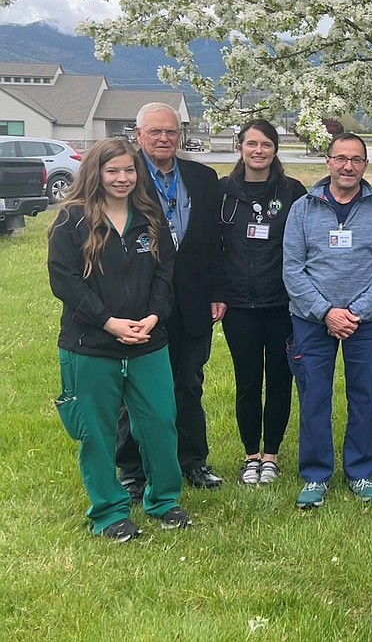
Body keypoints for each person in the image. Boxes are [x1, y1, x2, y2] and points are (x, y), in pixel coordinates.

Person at [48, 137, 190, 540]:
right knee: (97, 431)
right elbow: (65, 281)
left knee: (161, 422)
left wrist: (153, 316)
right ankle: (109, 512)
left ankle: (163, 500)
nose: (123, 178)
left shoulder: (151, 216)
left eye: (129, 170)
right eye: (113, 171)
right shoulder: (72, 219)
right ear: (96, 172)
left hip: (148, 341)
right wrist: (108, 322)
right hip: (90, 345)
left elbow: (165, 274)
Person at [283, 133, 372, 509]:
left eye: (356, 160)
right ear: (328, 161)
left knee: (365, 396)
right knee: (314, 397)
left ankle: (360, 472)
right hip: (312, 319)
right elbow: (292, 269)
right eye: (341, 158)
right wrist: (326, 312)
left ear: (365, 165)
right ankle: (316, 476)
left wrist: (356, 311)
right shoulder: (303, 208)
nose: (347, 166)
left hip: (367, 321)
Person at [118, 103, 224, 497]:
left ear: (181, 135)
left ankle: (192, 461)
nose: (164, 139)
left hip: (194, 300)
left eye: (171, 132)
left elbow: (216, 243)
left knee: (189, 383)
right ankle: (132, 470)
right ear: (139, 134)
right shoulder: (125, 176)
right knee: (135, 387)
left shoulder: (203, 177)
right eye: (155, 132)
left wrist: (218, 292)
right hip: (140, 300)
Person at [214, 120, 308, 486]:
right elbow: (213, 249)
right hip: (237, 304)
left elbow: (305, 245)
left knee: (280, 379)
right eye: (251, 144)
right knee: (248, 380)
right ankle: (250, 454)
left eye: (266, 144)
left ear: (275, 149)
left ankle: (271, 455)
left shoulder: (292, 192)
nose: (258, 151)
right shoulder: (222, 192)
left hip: (282, 303)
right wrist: (217, 293)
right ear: (240, 147)